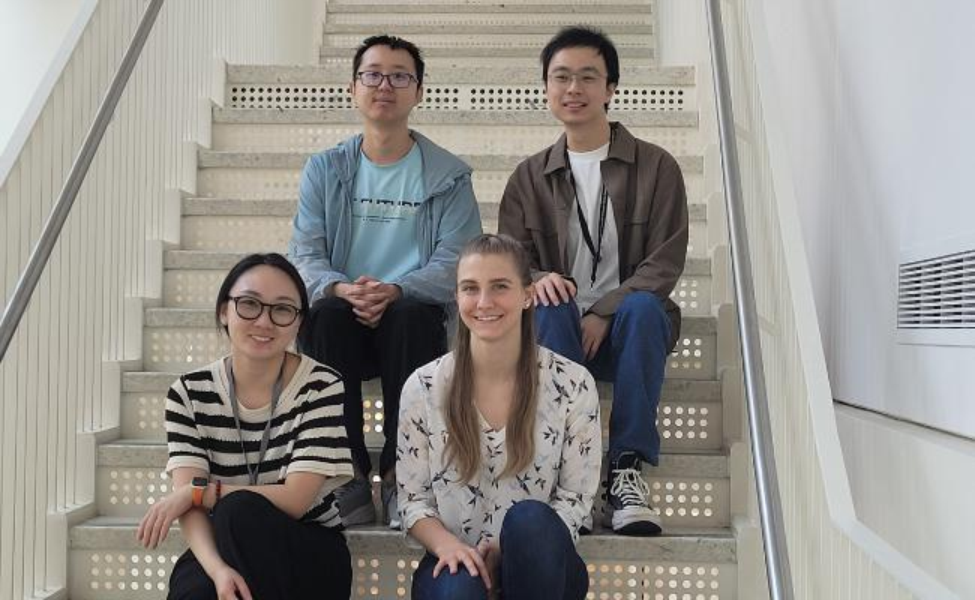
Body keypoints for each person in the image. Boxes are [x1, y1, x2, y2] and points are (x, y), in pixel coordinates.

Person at [498, 26, 689, 536]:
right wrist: (538, 279)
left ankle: (625, 469)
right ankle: (567, 471)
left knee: (645, 308)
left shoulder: (657, 167)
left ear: (610, 88)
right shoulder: (528, 177)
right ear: (546, 88)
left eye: (587, 77)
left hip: (629, 329)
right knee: (547, 303)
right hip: (559, 334)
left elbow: (664, 262)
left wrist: (604, 309)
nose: (573, 88)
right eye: (561, 77)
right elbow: (513, 262)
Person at [289, 34, 482, 528]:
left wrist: (397, 289)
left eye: (400, 76)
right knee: (325, 313)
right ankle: (349, 476)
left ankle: (401, 475)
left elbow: (458, 261)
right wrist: (339, 287)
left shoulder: (448, 175)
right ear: (353, 87)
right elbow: (305, 255)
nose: (385, 85)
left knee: (411, 314)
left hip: (410, 321)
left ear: (419, 92)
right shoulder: (325, 169)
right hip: (343, 316)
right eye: (372, 74)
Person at [137, 253, 355, 600]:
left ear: (299, 322)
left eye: (282, 309)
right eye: (249, 304)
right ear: (225, 310)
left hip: (308, 552)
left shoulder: (321, 385)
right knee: (195, 588)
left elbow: (297, 500)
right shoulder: (189, 394)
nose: (265, 321)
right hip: (221, 546)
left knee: (237, 512)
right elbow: (191, 509)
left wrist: (201, 492)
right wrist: (218, 570)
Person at [397, 234, 601, 600]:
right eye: (470, 288)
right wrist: (450, 547)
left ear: (528, 295)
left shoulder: (573, 383)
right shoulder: (423, 386)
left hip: (542, 562)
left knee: (530, 522)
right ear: (456, 297)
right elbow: (413, 501)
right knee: (459, 587)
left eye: (500, 287)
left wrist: (507, 550)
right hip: (453, 558)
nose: (484, 302)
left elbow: (575, 500)